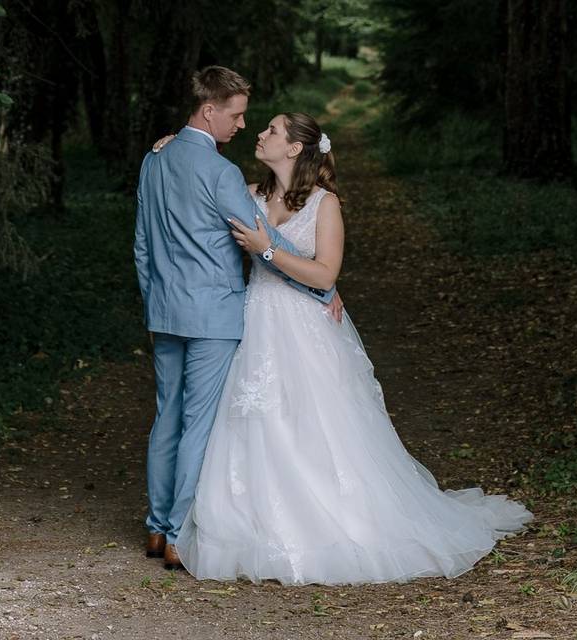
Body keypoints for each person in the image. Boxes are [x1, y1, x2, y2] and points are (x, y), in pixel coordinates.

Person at [165, 111, 534, 585]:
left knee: (314, 420)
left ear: (295, 148)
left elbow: (325, 274)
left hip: (303, 325)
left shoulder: (324, 204)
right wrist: (171, 141)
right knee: (252, 417)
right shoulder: (252, 195)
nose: (260, 133)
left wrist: (268, 251)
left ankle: (331, 522)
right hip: (254, 318)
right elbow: (198, 188)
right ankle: (255, 520)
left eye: (272, 130)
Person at [133, 67, 342, 571]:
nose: (244, 126)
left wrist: (154, 299)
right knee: (198, 422)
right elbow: (262, 240)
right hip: (214, 313)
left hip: (165, 309)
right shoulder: (223, 174)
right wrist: (325, 285)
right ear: (211, 110)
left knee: (167, 417)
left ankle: (156, 528)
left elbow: (142, 245)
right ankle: (179, 532)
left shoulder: (154, 160)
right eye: (238, 114)